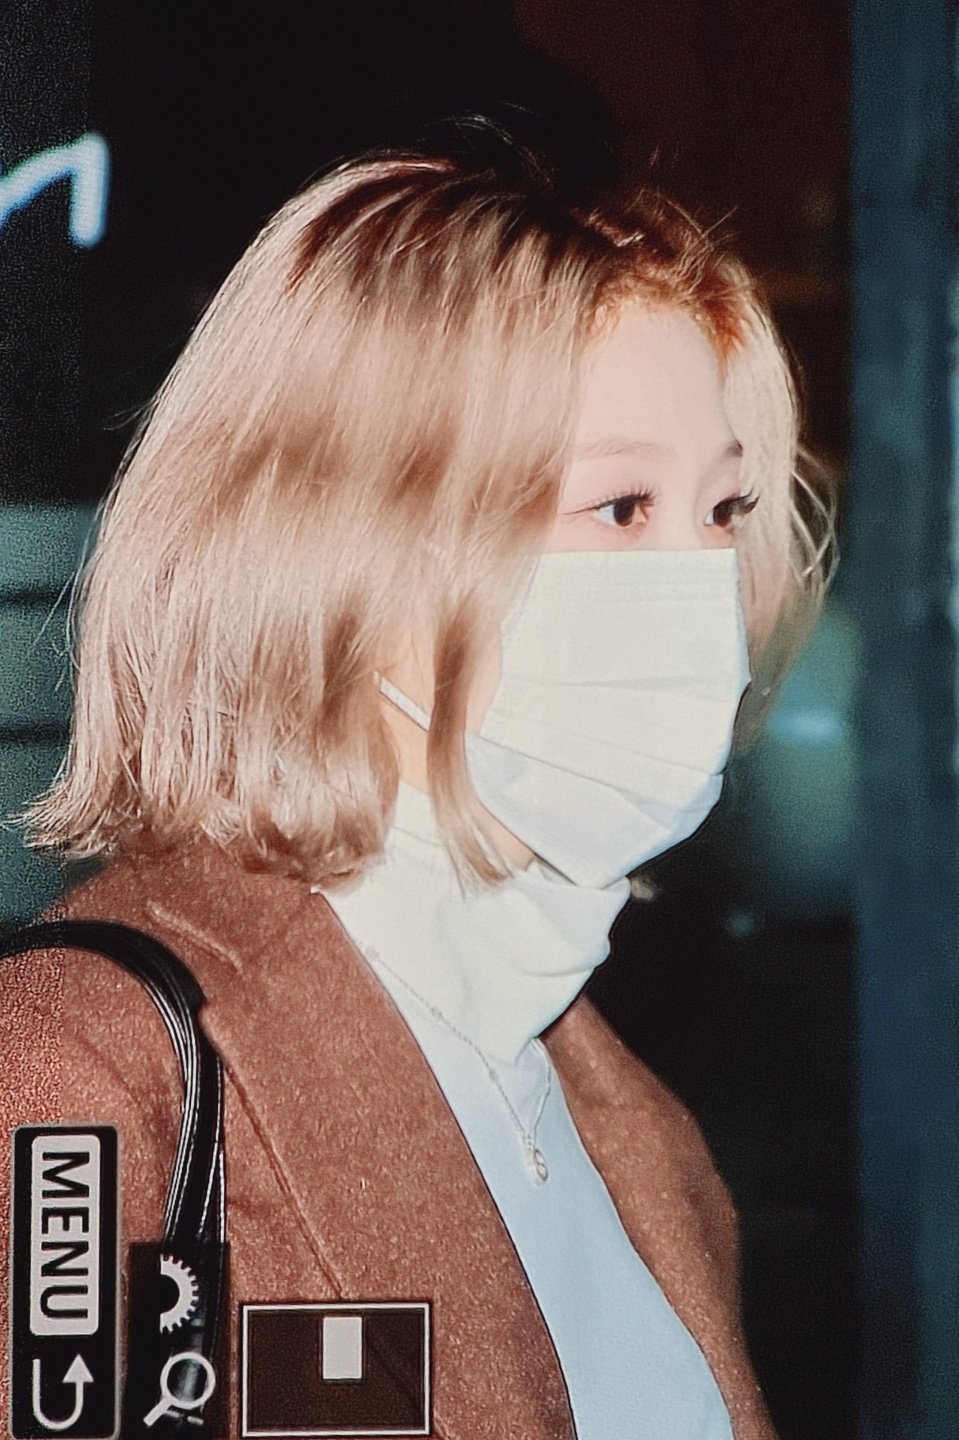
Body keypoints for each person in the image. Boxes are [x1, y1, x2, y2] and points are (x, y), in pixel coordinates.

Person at [1, 128, 832, 1439]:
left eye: (722, 512)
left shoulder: (642, 1139)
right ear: (363, 543)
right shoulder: (92, 1066)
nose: (704, 587)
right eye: (622, 508)